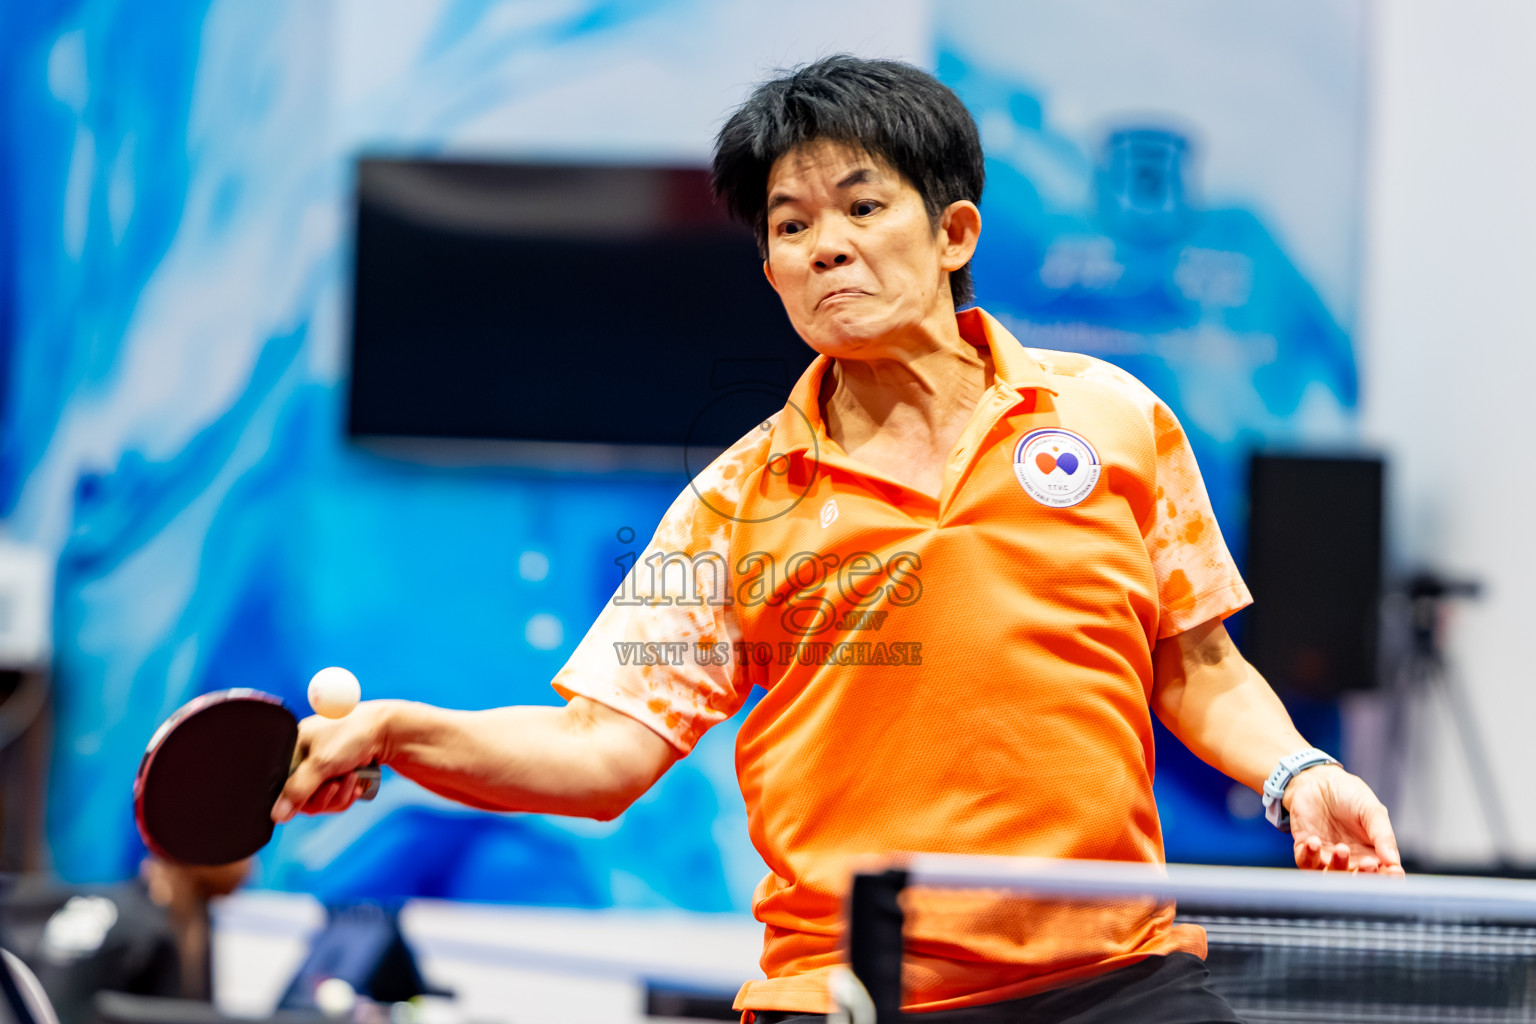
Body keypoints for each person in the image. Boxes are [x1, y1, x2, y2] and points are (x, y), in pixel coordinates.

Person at [274, 56, 1401, 1023]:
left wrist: (1297, 769)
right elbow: (601, 755)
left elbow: (1193, 662)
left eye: (863, 208)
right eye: (791, 225)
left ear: (954, 230)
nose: (825, 247)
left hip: (1113, 976)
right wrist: (401, 730)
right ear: (768, 270)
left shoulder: (1112, 419)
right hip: (849, 989)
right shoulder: (733, 502)